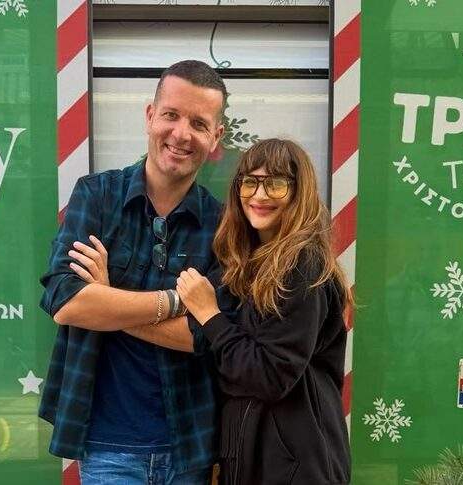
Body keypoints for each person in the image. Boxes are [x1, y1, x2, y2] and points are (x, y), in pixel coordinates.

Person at [39, 60, 234, 485]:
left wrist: (107, 298)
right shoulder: (97, 196)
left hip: (189, 447)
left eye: (199, 123)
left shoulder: (223, 225)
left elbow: (203, 336)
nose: (181, 134)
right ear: (150, 115)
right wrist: (176, 302)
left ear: (216, 137)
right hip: (107, 447)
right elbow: (65, 302)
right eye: (171, 115)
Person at [175, 138, 353, 484]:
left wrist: (210, 315)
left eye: (275, 183)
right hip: (260, 460)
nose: (259, 195)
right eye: (250, 182)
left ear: (299, 191)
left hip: (296, 467)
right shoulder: (248, 263)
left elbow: (269, 376)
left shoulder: (302, 266)